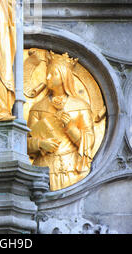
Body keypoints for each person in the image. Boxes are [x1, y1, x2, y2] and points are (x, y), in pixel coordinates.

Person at [27, 51, 95, 191]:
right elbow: (24, 142)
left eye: (53, 74)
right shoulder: (38, 108)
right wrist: (40, 144)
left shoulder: (81, 106)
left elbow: (89, 141)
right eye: (47, 73)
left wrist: (71, 128)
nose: (47, 77)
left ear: (64, 76)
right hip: (42, 171)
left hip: (71, 170)